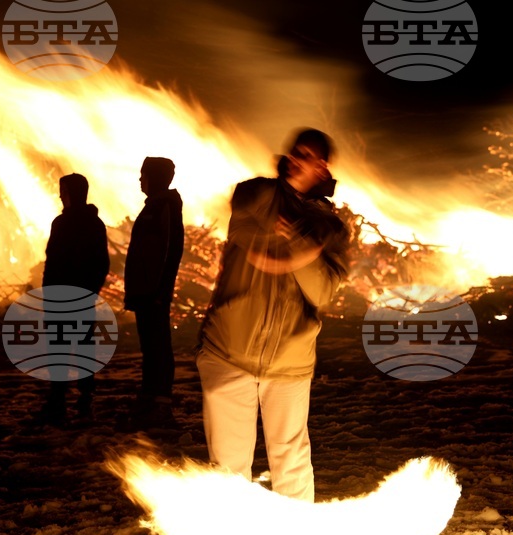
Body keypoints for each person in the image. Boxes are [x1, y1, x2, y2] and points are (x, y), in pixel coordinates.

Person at [197, 128, 350, 501]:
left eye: (305, 155)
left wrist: (298, 242)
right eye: (293, 151)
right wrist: (305, 252)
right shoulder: (256, 194)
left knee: (292, 463)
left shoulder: (330, 227)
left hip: (290, 360)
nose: (294, 159)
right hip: (228, 350)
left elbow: (323, 291)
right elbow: (249, 241)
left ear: (322, 166)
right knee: (228, 468)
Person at [36, 173, 110, 425]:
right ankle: (59, 399)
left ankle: (83, 399)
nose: (60, 195)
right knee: (62, 348)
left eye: (64, 191)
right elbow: (52, 261)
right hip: (60, 296)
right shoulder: (63, 223)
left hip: (77, 296)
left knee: (79, 348)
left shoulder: (90, 224)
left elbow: (100, 263)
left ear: (75, 193)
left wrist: (87, 292)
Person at [124, 157, 185, 428]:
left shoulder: (167, 207)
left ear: (155, 177)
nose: (140, 180)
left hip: (154, 293)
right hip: (144, 291)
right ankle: (148, 398)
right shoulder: (154, 206)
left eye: (143, 174)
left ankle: (161, 403)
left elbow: (170, 251)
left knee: (158, 346)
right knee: (149, 346)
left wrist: (161, 290)